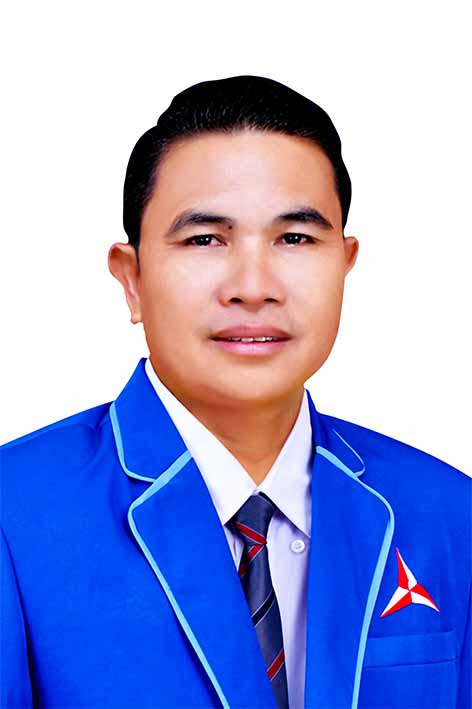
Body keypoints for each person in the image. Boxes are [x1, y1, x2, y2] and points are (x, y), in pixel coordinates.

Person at [1, 75, 470, 709]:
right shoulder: (16, 514)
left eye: (295, 238)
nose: (253, 287)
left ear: (344, 264)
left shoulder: (447, 512)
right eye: (205, 240)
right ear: (132, 278)